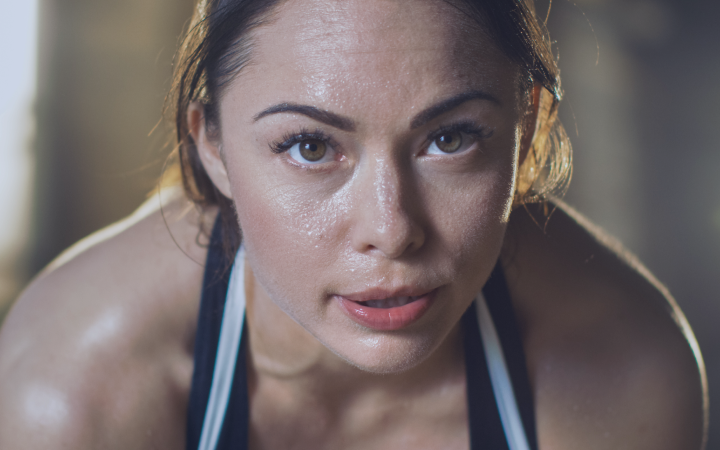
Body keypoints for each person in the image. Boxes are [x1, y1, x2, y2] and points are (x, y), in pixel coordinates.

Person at [0, 0, 708, 448]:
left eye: (452, 137)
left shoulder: (623, 372)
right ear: (210, 143)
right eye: (310, 147)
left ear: (528, 127)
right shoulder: (73, 393)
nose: (392, 229)